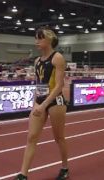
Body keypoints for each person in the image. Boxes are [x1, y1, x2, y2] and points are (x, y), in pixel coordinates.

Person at [16, 27, 69, 180]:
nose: (36, 42)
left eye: (39, 38)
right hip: (39, 102)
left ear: (49, 40)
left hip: (55, 102)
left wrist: (44, 105)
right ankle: (23, 174)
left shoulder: (57, 58)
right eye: (36, 38)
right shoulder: (37, 61)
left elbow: (59, 86)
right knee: (31, 137)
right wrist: (35, 104)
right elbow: (38, 84)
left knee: (58, 138)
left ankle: (65, 167)